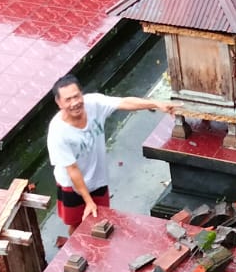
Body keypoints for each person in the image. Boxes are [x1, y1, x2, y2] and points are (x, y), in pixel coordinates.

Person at [47, 74, 176, 228]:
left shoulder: (94, 103)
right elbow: (72, 169)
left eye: (76, 96)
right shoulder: (58, 132)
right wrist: (88, 201)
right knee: (76, 223)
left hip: (97, 178)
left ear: (82, 94)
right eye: (68, 99)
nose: (74, 103)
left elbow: (124, 102)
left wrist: (155, 104)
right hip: (72, 185)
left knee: (102, 219)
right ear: (59, 102)